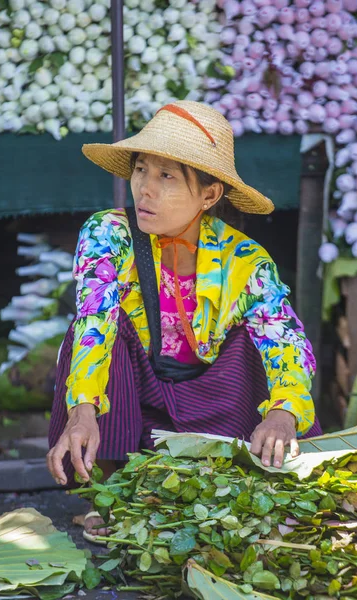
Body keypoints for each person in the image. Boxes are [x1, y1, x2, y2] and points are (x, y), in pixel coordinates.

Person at [47, 100, 322, 537]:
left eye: (166, 177)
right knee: (103, 331)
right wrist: (80, 413)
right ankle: (112, 490)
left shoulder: (245, 260)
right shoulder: (108, 234)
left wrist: (283, 414)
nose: (145, 189)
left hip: (212, 405)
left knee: (256, 343)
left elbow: (287, 344)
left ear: (209, 195)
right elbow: (93, 322)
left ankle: (254, 472)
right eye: (141, 170)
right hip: (138, 406)